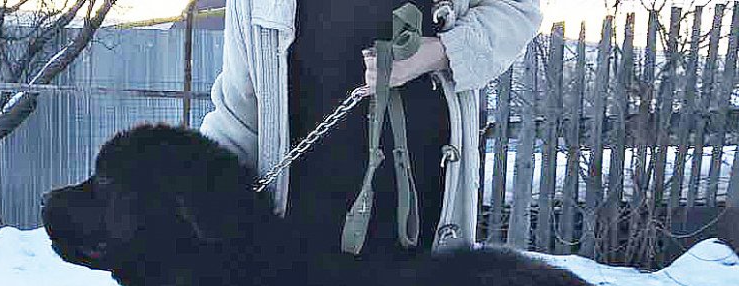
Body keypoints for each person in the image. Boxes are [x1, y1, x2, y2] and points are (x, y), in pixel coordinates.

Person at [200, 0, 542, 251]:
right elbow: (238, 109)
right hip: (299, 230)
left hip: (423, 220)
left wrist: (440, 51)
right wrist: (202, 198)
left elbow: (517, 9)